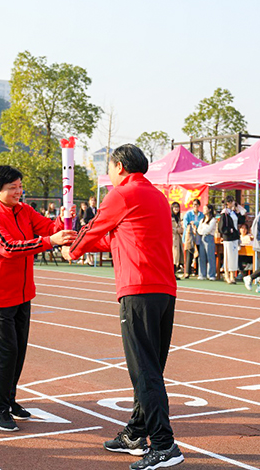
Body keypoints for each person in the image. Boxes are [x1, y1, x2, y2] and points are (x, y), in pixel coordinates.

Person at [62, 144, 184, 469]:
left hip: (139, 289)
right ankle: (136, 432)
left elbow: (97, 227)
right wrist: (80, 242)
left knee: (144, 371)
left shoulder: (122, 194)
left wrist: (71, 249)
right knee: (150, 368)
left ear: (119, 167)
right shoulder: (155, 196)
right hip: (163, 291)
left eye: (110, 167)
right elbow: (118, 237)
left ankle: (163, 444)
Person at [0, 165, 76, 431]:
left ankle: (10, 400)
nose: (18, 192)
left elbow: (47, 227)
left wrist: (63, 218)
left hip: (24, 293)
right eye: (12, 188)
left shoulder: (24, 211)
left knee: (19, 350)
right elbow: (9, 247)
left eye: (20, 186)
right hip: (0, 295)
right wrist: (50, 240)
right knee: (5, 352)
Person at [218, 196, 242, 284]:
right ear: (228, 203)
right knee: (228, 257)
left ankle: (232, 275)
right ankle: (227, 275)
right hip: (228, 238)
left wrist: (239, 212)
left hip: (235, 237)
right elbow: (220, 228)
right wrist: (229, 231)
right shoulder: (224, 213)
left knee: (234, 257)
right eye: (232, 202)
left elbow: (241, 221)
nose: (233, 203)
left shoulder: (233, 212)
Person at [182, 199, 203, 279]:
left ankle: (197, 272)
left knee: (198, 254)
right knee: (189, 254)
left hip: (198, 237)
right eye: (194, 205)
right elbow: (186, 223)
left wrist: (195, 223)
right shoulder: (188, 214)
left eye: (197, 205)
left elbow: (202, 223)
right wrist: (192, 224)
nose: (195, 206)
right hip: (190, 237)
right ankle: (187, 272)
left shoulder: (201, 215)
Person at [197, 203, 218, 281]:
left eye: (205, 209)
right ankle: (202, 274)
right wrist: (201, 231)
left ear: (209, 210)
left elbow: (209, 229)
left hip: (209, 238)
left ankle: (211, 274)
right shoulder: (202, 220)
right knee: (202, 256)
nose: (204, 210)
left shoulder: (213, 220)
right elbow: (199, 229)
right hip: (202, 238)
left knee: (210, 256)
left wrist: (202, 231)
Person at [171, 202, 184, 277]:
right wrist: (176, 230)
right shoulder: (170, 217)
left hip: (178, 239)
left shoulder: (178, 218)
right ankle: (172, 273)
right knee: (174, 256)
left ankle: (174, 273)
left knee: (178, 257)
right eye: (175, 207)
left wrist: (181, 230)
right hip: (172, 239)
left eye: (178, 207)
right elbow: (169, 227)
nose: (176, 209)